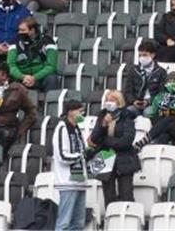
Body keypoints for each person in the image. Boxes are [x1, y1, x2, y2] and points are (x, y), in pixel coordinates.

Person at [88, 90, 141, 206]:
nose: (108, 102)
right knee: (109, 196)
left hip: (124, 159)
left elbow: (126, 141)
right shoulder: (102, 115)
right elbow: (94, 138)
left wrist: (106, 141)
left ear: (119, 102)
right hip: (105, 157)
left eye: (111, 100)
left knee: (126, 195)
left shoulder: (127, 116)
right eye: (107, 100)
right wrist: (103, 125)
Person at [52, 100, 89, 231]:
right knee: (64, 223)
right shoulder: (62, 128)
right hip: (67, 181)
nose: (82, 113)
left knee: (78, 224)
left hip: (79, 180)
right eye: (79, 111)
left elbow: (82, 151)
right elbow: (62, 156)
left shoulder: (77, 128)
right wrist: (81, 155)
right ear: (70, 112)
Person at [135, 71, 175, 148]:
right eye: (169, 81)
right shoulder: (160, 97)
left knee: (170, 119)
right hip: (163, 130)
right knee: (164, 135)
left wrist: (170, 114)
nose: (171, 84)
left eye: (174, 82)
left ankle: (146, 140)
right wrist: (172, 114)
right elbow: (153, 117)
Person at [7, 16, 63, 92]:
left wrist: (34, 77)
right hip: (22, 79)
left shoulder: (47, 41)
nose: (20, 33)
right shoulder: (14, 42)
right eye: (19, 30)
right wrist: (23, 77)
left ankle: (51, 102)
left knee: (52, 78)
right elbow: (11, 66)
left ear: (32, 30)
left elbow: (51, 66)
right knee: (10, 81)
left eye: (23, 30)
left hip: (41, 78)